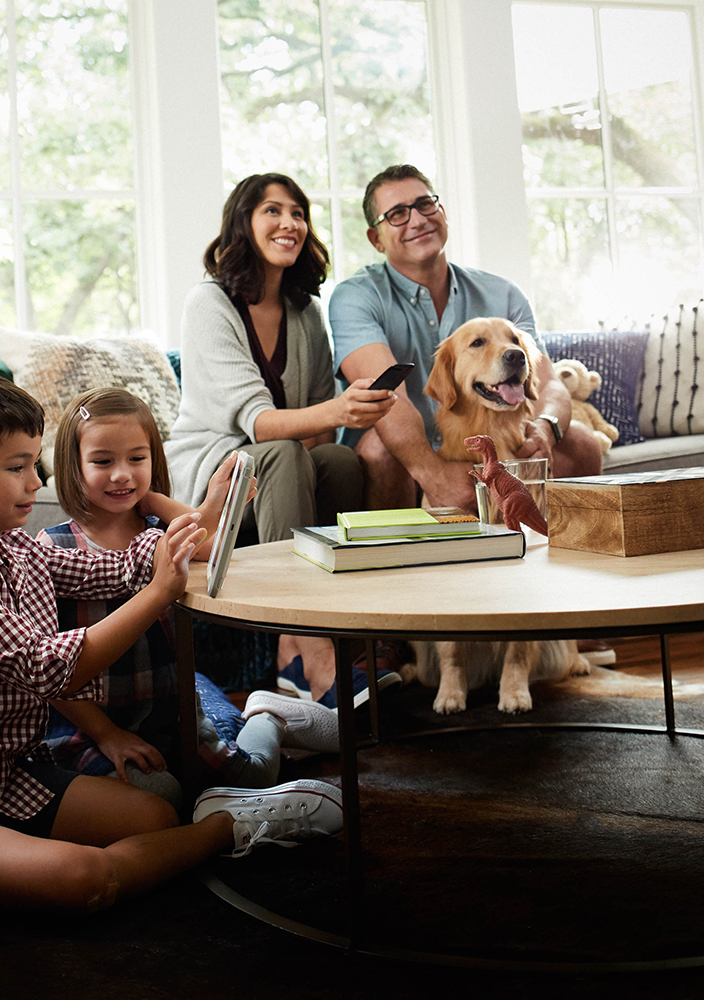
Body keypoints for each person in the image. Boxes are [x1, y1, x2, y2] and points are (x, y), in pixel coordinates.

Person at [0, 370, 343, 912]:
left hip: (12, 774)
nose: (35, 482)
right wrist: (159, 592)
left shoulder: (18, 550)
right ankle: (237, 825)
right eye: (16, 468)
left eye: (33, 464)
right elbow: (47, 668)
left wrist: (186, 532)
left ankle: (225, 809)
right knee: (86, 880)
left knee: (155, 816)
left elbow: (110, 569)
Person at [38, 386, 340, 814]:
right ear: (73, 466)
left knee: (253, 776)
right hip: (93, 724)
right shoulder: (54, 548)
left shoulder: (156, 527)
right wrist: (108, 735)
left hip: (172, 712)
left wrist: (161, 500)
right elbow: (45, 668)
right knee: (162, 798)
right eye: (103, 461)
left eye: (136, 459)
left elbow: (203, 544)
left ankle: (266, 714)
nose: (122, 474)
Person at [166, 172, 403, 705]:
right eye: (272, 211)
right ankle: (301, 649)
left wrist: (348, 415)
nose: (289, 223)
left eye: (297, 212)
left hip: (278, 467)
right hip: (213, 476)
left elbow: (318, 427)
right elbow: (257, 422)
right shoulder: (208, 303)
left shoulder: (305, 311)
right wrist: (340, 406)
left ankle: (332, 630)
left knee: (341, 460)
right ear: (243, 223)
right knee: (279, 453)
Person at [328, 163, 603, 514]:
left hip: (491, 442)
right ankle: (398, 563)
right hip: (407, 455)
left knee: (581, 440)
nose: (417, 220)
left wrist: (546, 428)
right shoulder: (355, 297)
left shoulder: (501, 294)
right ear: (375, 239)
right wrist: (434, 474)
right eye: (397, 214)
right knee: (378, 448)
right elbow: (385, 398)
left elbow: (550, 385)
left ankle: (565, 556)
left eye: (426, 205)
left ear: (441, 212)